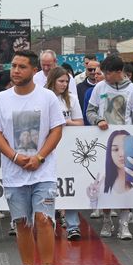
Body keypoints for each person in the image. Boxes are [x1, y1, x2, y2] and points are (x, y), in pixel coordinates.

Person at [0, 50, 65, 265]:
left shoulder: (48, 97)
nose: (16, 71)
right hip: (14, 173)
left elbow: (56, 130)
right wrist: (15, 157)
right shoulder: (1, 98)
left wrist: (40, 156)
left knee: (44, 220)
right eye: (13, 66)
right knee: (21, 223)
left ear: (34, 70)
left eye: (22, 67)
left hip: (43, 172)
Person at [86, 55, 133, 239]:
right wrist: (98, 120)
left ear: (119, 72)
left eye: (107, 72)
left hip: (126, 141)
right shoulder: (100, 87)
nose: (103, 75)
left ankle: (123, 224)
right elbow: (90, 111)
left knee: (125, 182)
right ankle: (107, 220)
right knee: (106, 181)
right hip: (104, 140)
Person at [45, 67, 84, 240]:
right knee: (49, 187)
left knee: (69, 185)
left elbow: (80, 123)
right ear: (52, 81)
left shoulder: (72, 99)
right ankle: (49, 222)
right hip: (48, 148)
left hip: (68, 148)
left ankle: (73, 225)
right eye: (61, 81)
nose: (64, 84)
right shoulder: (43, 98)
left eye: (66, 81)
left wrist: (66, 121)